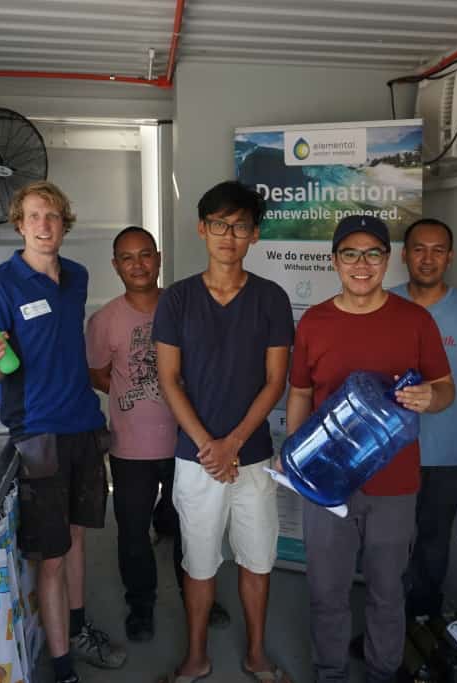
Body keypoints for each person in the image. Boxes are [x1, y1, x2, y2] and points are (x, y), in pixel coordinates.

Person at [286, 214, 456, 683]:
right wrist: (295, 464)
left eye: (373, 253)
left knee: (386, 590)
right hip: (328, 484)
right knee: (327, 590)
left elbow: (445, 388)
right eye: (350, 254)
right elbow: (300, 392)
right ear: (335, 261)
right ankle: (332, 673)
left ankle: (383, 671)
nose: (362, 264)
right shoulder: (315, 322)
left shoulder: (415, 320)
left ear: (387, 260)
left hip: (395, 483)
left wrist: (432, 398)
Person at [0, 181, 125, 683]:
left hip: (84, 424)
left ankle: (77, 630)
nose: (44, 225)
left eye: (54, 216)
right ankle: (62, 669)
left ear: (65, 224)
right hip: (38, 434)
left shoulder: (77, 277)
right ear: (19, 223)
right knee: (52, 556)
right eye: (35, 216)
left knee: (78, 539)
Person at [153, 181, 294, 683]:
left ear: (254, 234)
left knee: (257, 561)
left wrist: (232, 443)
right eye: (218, 224)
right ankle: (197, 656)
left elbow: (276, 381)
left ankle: (256, 654)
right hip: (195, 462)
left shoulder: (271, 299)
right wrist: (207, 446)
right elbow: (168, 379)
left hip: (251, 456)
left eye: (238, 226)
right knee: (199, 562)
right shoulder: (177, 300)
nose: (227, 235)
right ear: (201, 229)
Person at [86, 226, 229, 644]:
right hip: (132, 446)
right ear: (116, 266)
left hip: (188, 441)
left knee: (193, 526)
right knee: (132, 530)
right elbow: (98, 373)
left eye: (145, 255)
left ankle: (198, 596)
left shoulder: (185, 306)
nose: (138, 264)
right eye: (128, 258)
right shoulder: (104, 320)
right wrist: (135, 396)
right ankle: (141, 604)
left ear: (159, 258)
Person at [391, 218, 457, 619]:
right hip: (390, 454)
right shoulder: (383, 304)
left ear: (450, 258)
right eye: (419, 248)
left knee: (434, 546)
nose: (428, 258)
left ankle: (423, 627)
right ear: (404, 254)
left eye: (438, 250)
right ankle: (386, 634)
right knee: (387, 548)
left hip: (445, 454)